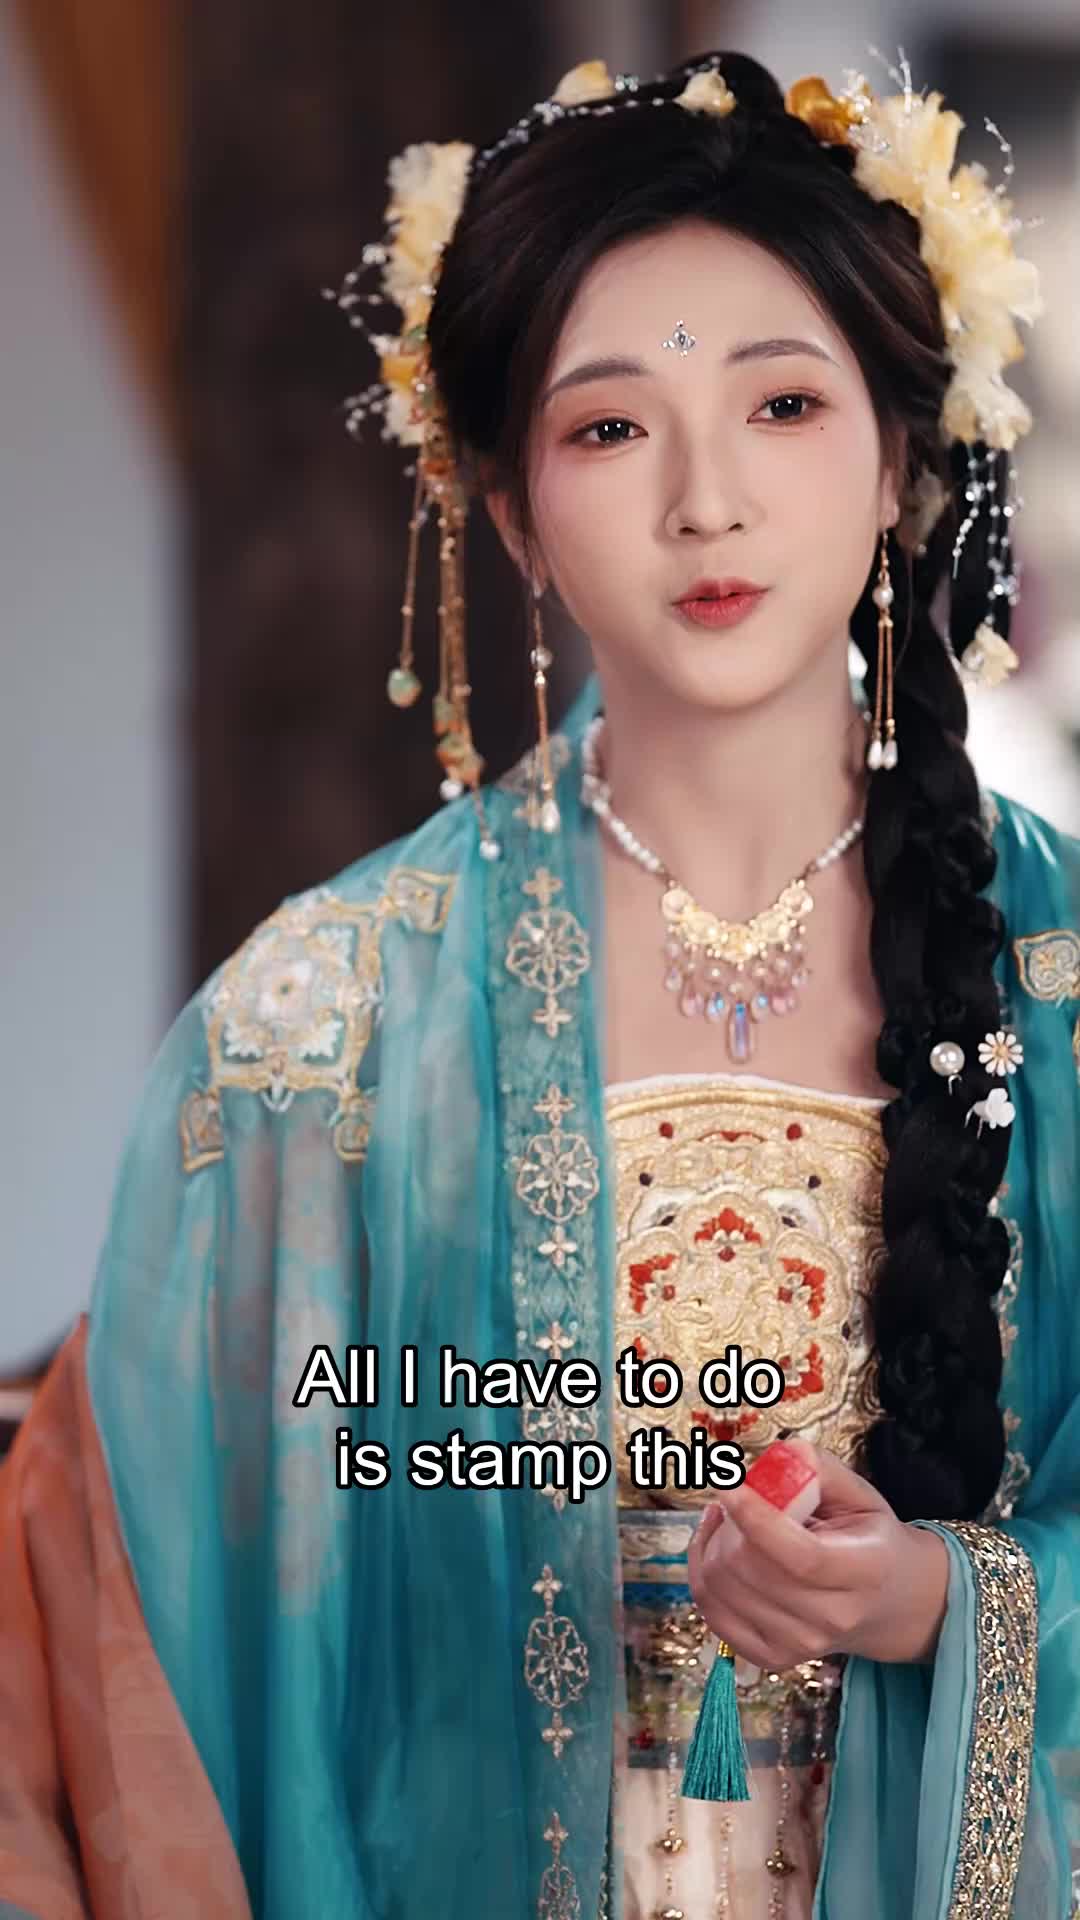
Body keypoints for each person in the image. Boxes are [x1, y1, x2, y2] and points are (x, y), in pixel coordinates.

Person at [2, 46, 1079, 1920]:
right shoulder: (320, 1035)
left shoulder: (1056, 985)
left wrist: (944, 1600)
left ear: (902, 458)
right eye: (608, 430)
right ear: (507, 512)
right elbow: (150, 1634)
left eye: (783, 404)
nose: (706, 502)